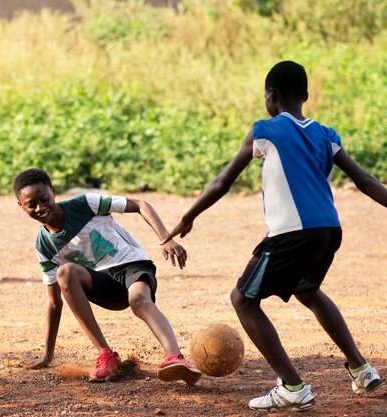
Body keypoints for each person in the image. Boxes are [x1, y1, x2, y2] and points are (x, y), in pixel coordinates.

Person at [162, 61, 386, 411]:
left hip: (292, 233)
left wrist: (188, 216)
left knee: (243, 300)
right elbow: (367, 182)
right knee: (307, 290)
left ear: (271, 95)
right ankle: (361, 368)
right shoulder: (326, 134)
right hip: (329, 231)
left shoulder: (264, 130)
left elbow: (223, 181)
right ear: (306, 96)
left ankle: (293, 386)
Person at [14, 168, 201, 384]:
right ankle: (106, 355)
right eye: (31, 204)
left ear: (53, 192)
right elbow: (54, 303)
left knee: (139, 300)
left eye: (44, 198)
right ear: (21, 206)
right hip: (103, 285)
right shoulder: (44, 246)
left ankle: (174, 357)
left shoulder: (85, 203)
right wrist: (48, 354)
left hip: (132, 264)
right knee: (65, 272)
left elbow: (140, 204)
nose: (40, 207)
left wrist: (165, 238)